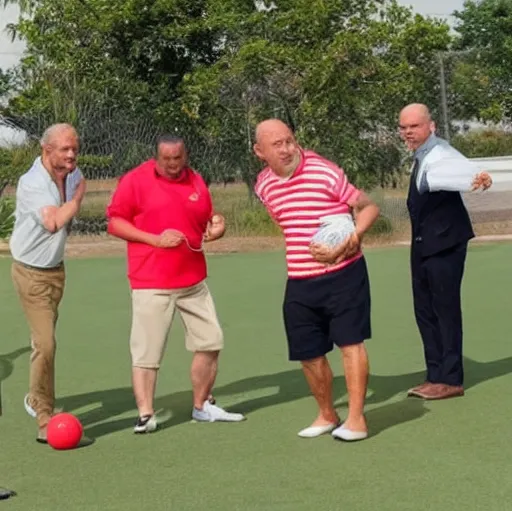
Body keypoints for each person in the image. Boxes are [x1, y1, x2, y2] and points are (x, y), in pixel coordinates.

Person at [106, 135, 245, 433]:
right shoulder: (135, 180)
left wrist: (217, 224)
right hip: (151, 280)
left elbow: (207, 216)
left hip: (194, 280)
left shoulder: (195, 180)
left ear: (186, 156)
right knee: (147, 352)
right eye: (166, 158)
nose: (171, 164)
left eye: (177, 158)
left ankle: (202, 406)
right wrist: (155, 239)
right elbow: (115, 222)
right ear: (157, 156)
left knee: (211, 341)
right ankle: (145, 415)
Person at [253, 119, 380, 441]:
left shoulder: (325, 172)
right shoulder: (263, 186)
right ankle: (327, 414)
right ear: (259, 152)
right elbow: (288, 225)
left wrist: (351, 238)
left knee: (350, 344)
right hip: (299, 278)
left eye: (289, 141)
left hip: (344, 273)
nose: (286, 149)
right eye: (277, 144)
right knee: (307, 352)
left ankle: (356, 420)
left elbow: (368, 208)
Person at [398, 103, 492, 400]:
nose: (408, 132)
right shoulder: (423, 155)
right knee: (424, 310)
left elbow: (464, 173)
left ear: (431, 125)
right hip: (424, 243)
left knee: (444, 310)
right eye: (404, 127)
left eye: (414, 126)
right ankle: (435, 374)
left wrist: (478, 178)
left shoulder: (442, 153)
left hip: (445, 242)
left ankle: (451, 379)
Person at [9, 123, 86, 443]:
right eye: (65, 149)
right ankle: (43, 414)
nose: (71, 155)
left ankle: (34, 396)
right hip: (30, 273)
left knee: (45, 343)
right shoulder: (32, 183)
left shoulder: (73, 173)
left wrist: (75, 186)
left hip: (56, 272)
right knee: (46, 343)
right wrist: (79, 197)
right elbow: (54, 222)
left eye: (75, 148)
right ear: (47, 150)